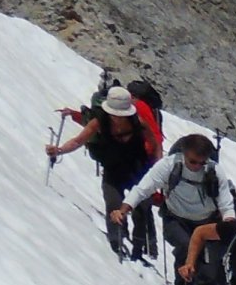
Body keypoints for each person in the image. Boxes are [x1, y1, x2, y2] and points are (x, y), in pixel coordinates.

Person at [116, 132, 234, 285]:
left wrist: (228, 224)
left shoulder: (214, 171)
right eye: (193, 161)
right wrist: (124, 208)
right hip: (175, 219)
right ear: (184, 153)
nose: (197, 166)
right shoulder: (169, 165)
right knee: (186, 248)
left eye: (201, 162)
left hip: (207, 222)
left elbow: (226, 203)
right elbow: (144, 188)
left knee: (210, 269)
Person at [48, 85, 159, 260]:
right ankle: (116, 241)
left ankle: (139, 247)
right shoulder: (99, 122)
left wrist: (156, 168)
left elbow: (155, 144)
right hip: (113, 169)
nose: (117, 118)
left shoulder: (138, 123)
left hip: (137, 168)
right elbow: (78, 141)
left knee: (142, 207)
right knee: (113, 203)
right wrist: (59, 150)